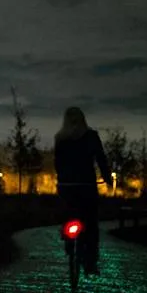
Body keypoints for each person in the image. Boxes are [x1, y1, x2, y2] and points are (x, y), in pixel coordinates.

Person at [54, 106, 113, 275]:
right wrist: (107, 179)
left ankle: (67, 238)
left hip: (66, 186)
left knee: (67, 211)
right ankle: (91, 262)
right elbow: (101, 158)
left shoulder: (60, 138)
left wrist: (62, 178)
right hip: (86, 184)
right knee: (91, 222)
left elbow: (57, 163)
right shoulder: (91, 136)